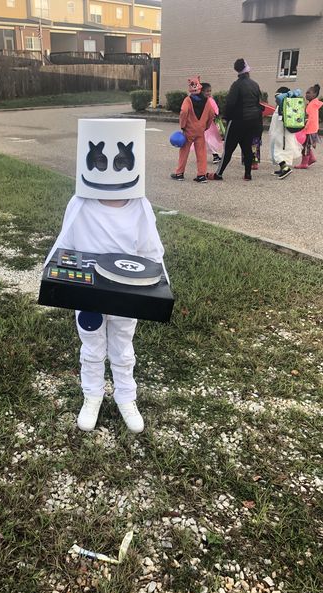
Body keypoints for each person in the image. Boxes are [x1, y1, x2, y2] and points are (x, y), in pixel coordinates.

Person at [46, 119, 166, 434]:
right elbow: (66, 247)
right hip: (89, 295)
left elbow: (151, 251)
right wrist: (58, 280)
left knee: (123, 346)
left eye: (119, 161)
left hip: (127, 294)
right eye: (99, 161)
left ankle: (126, 396)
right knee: (92, 344)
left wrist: (156, 287)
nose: (109, 167)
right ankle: (93, 395)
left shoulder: (140, 206)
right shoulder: (80, 204)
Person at [207, 58, 263, 181]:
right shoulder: (255, 84)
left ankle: (219, 174)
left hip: (238, 120)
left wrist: (226, 117)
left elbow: (230, 104)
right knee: (247, 148)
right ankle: (248, 174)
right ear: (248, 71)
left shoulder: (236, 85)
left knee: (228, 149)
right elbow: (259, 103)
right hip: (252, 121)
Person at [171, 76, 215, 183]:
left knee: (184, 152)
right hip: (200, 131)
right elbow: (212, 114)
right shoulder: (207, 101)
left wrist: (183, 125)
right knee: (201, 153)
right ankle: (201, 175)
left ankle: (179, 173)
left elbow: (184, 112)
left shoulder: (188, 100)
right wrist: (206, 126)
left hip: (188, 131)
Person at [269, 86, 303, 179]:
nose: (276, 100)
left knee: (277, 152)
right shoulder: (288, 105)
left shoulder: (282, 106)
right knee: (283, 151)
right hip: (285, 133)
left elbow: (278, 122)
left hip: (281, 133)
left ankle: (285, 168)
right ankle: (282, 168)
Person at [295, 84, 323, 169]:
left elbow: (311, 117)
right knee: (306, 144)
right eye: (306, 93)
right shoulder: (312, 103)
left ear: (314, 94)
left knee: (305, 146)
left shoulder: (312, 105)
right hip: (312, 128)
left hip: (309, 129)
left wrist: (305, 126)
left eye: (308, 93)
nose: (306, 94)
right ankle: (311, 158)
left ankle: (304, 163)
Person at [200, 82, 224, 164]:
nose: (209, 93)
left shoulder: (210, 100)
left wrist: (215, 115)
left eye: (210, 91)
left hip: (211, 124)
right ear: (202, 92)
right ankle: (215, 155)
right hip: (204, 124)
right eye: (207, 91)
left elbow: (215, 109)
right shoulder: (201, 101)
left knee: (211, 139)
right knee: (207, 140)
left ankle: (214, 154)